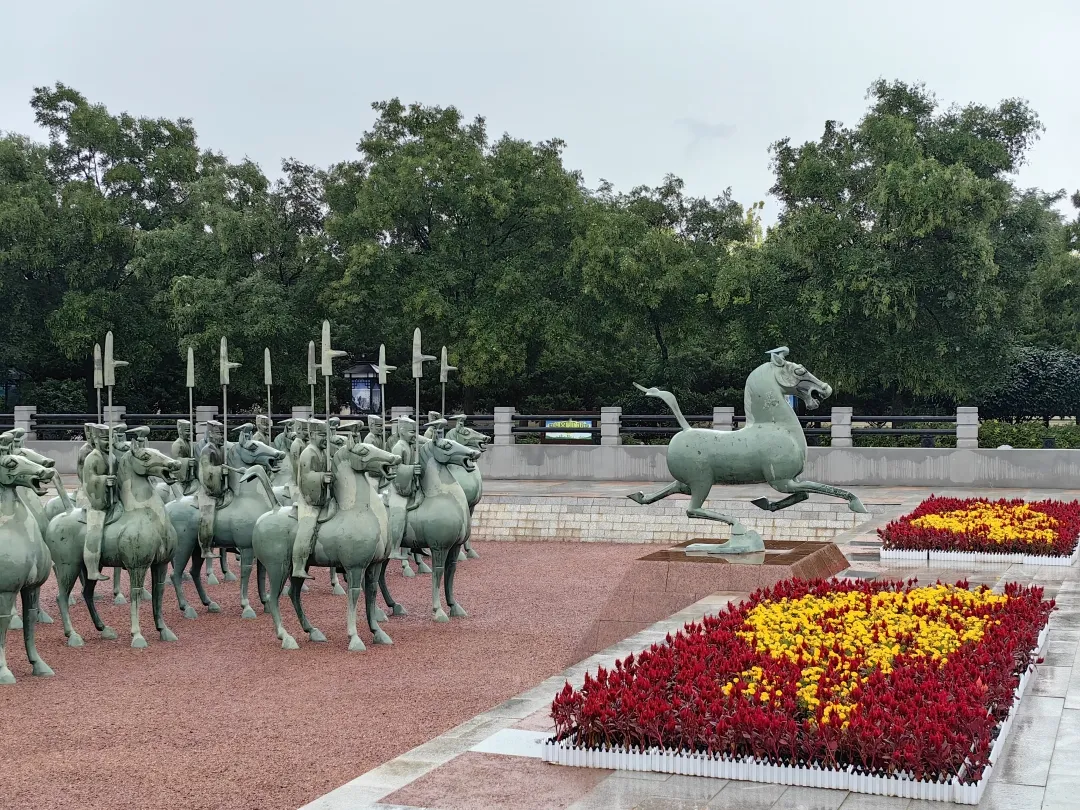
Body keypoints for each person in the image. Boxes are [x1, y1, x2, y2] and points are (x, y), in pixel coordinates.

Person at [292, 419, 332, 579]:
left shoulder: (323, 452)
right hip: (309, 500)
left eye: (326, 435)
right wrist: (322, 477)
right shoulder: (308, 453)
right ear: (312, 435)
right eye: (322, 435)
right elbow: (305, 477)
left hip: (323, 497)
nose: (325, 438)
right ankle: (298, 565)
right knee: (307, 527)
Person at [82, 424, 114, 580]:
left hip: (114, 499)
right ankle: (92, 568)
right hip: (99, 501)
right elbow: (89, 480)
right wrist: (103, 480)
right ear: (95, 439)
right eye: (105, 439)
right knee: (95, 528)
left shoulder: (112, 456)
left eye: (110, 439)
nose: (109, 442)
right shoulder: (92, 457)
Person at [197, 420, 228, 561]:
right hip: (209, 489)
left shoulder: (221, 449)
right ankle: (205, 547)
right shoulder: (206, 450)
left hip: (222, 487)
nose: (221, 436)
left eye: (222, 433)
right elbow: (206, 471)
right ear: (210, 434)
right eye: (218, 434)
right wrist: (220, 470)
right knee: (207, 516)